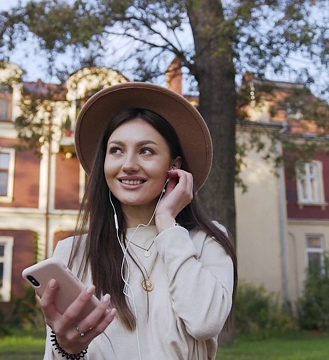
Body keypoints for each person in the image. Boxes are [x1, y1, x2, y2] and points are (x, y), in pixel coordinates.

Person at [40, 82, 237, 359]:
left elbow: (205, 322)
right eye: (117, 150)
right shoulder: (71, 254)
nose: (129, 164)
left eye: (146, 151)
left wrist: (167, 222)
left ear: (174, 166)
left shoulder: (207, 241)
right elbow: (56, 353)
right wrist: (67, 349)